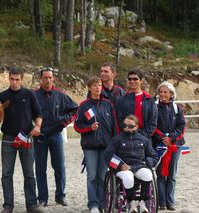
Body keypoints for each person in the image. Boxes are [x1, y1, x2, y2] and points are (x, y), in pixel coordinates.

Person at [0, 67, 44, 213]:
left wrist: (37, 126)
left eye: (17, 79)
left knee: (29, 173)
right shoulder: (1, 96)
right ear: (9, 78)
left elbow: (38, 113)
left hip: (26, 137)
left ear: (22, 80)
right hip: (8, 139)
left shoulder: (29, 94)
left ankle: (31, 205)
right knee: (6, 174)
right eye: (12, 79)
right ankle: (7, 206)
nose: (14, 82)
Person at [33, 67, 78, 207]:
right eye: (45, 77)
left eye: (50, 77)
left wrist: (64, 121)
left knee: (59, 167)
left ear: (53, 79)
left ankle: (60, 196)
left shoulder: (61, 95)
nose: (47, 80)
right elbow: (27, 113)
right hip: (39, 136)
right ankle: (42, 198)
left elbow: (74, 110)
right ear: (41, 79)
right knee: (40, 168)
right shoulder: (33, 95)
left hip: (56, 135)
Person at [74, 76, 117, 213]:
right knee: (92, 176)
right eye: (94, 85)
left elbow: (114, 126)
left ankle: (102, 203)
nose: (98, 87)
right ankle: (93, 204)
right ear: (89, 88)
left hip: (106, 146)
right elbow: (77, 126)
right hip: (90, 147)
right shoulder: (84, 105)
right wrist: (89, 128)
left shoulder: (108, 104)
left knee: (102, 176)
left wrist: (115, 144)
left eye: (99, 85)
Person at [105, 115, 158, 213]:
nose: (127, 128)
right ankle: (132, 203)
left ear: (137, 126)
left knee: (148, 174)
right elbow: (108, 156)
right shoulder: (116, 139)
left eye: (130, 126)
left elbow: (154, 156)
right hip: (123, 168)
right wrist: (120, 165)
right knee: (128, 177)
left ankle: (143, 202)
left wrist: (146, 163)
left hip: (139, 166)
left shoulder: (144, 140)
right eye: (125, 125)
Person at [152, 81, 186, 211]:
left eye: (165, 92)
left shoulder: (178, 109)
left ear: (171, 93)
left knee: (171, 174)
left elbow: (181, 126)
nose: (162, 94)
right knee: (160, 174)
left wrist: (171, 138)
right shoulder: (154, 108)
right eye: (160, 92)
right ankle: (162, 202)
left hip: (174, 146)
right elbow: (153, 126)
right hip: (159, 145)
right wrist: (163, 138)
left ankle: (170, 201)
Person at [116, 69, 158, 138]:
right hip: (127, 138)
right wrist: (129, 132)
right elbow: (120, 120)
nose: (132, 81)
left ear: (141, 81)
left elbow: (153, 122)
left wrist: (142, 136)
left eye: (135, 79)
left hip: (145, 139)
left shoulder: (149, 100)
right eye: (130, 79)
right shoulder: (121, 100)